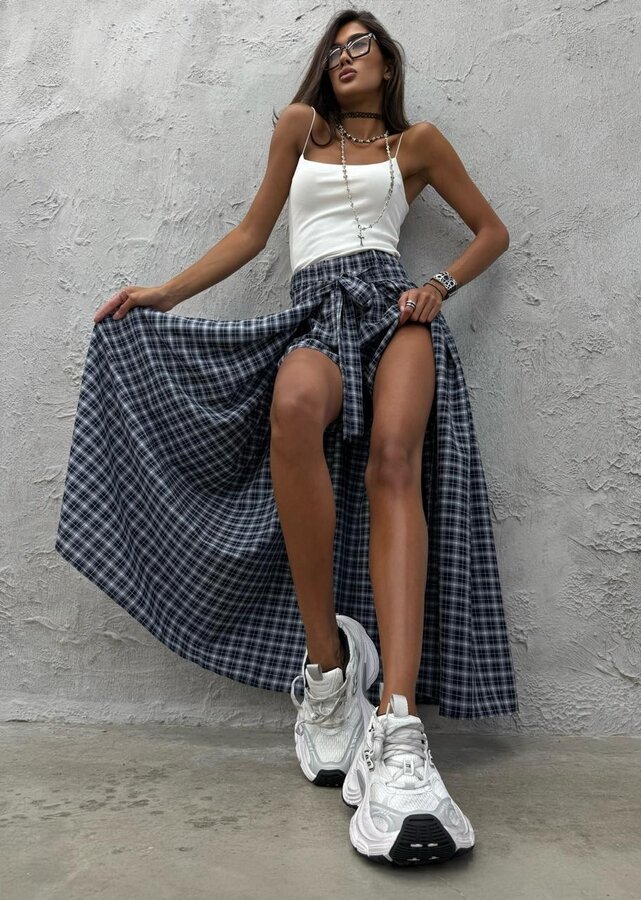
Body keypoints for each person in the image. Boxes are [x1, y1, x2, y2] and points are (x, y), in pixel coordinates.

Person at [55, 8, 519, 867]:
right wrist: (162, 294)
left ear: (386, 63)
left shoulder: (416, 145)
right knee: (295, 404)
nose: (344, 57)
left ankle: (398, 726)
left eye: (359, 45)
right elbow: (250, 233)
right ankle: (329, 673)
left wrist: (438, 285)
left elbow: (491, 232)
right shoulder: (301, 128)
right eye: (332, 48)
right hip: (315, 309)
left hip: (394, 309)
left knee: (394, 461)